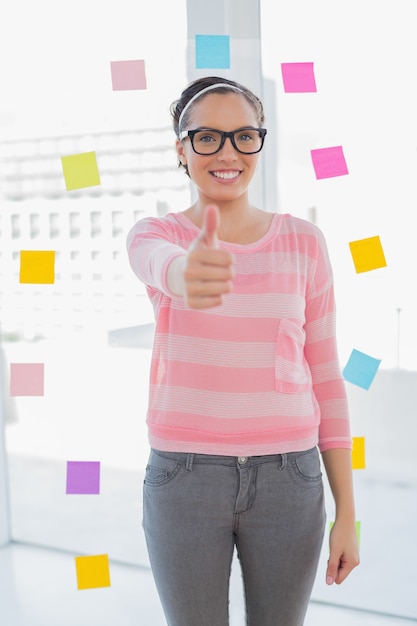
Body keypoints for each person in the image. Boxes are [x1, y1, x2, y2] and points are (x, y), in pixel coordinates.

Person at [126, 76, 359, 626]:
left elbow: (325, 375)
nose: (226, 152)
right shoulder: (156, 235)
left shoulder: (304, 241)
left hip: (291, 479)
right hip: (184, 480)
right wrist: (185, 272)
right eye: (206, 137)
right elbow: (156, 261)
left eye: (243, 136)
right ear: (181, 148)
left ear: (260, 141)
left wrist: (346, 510)